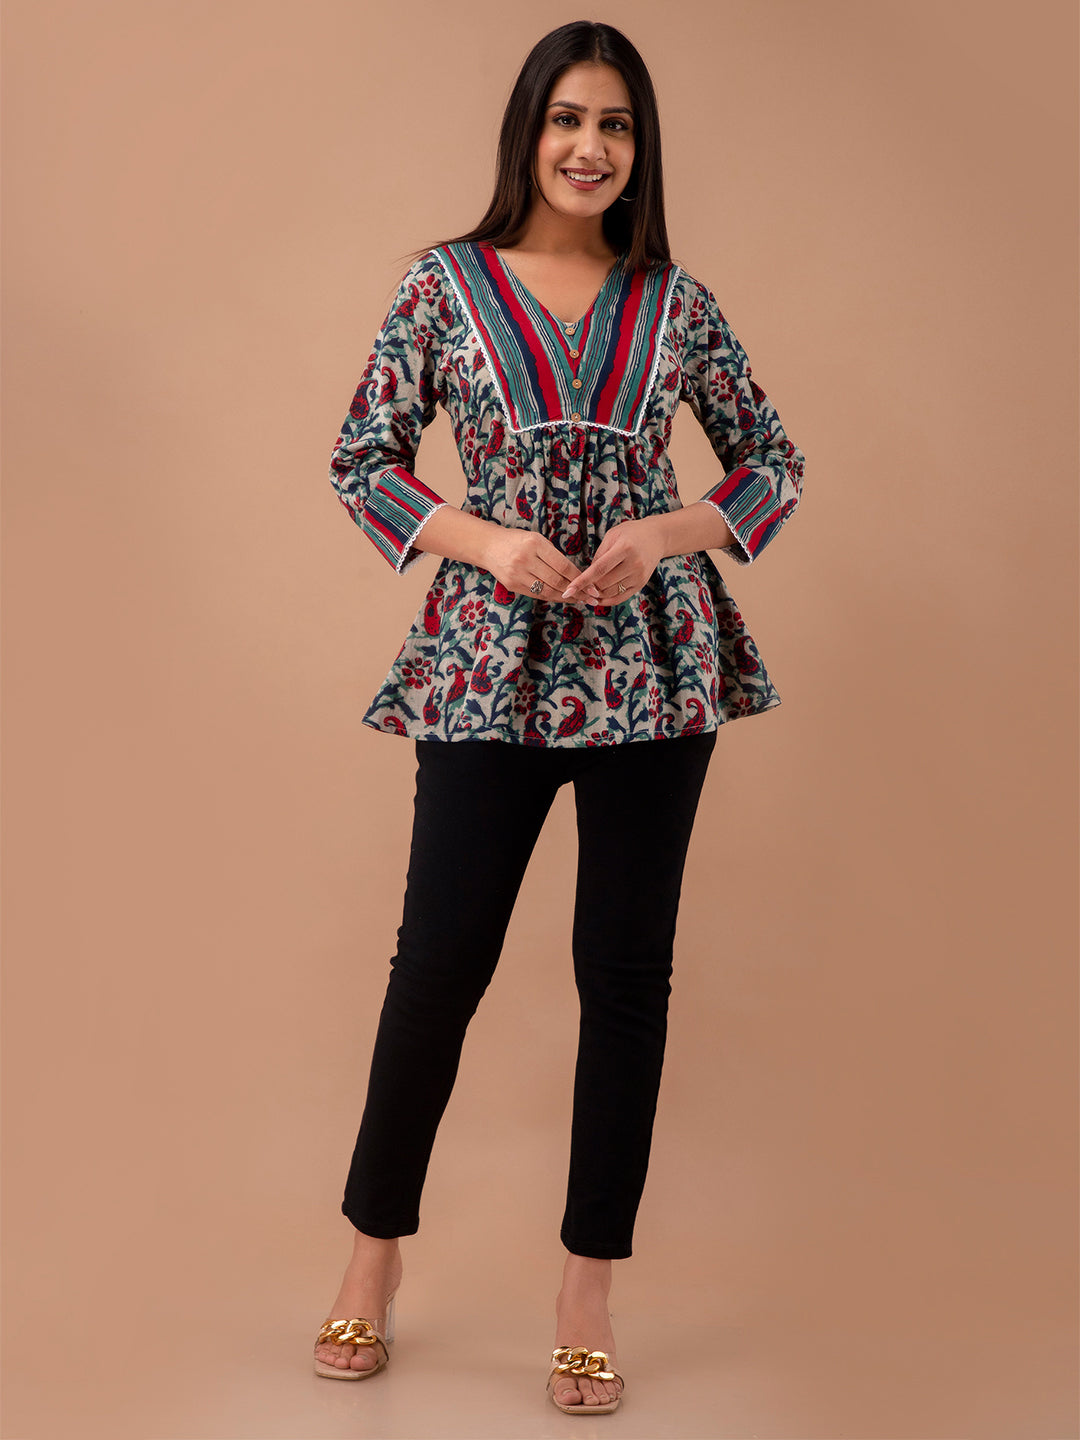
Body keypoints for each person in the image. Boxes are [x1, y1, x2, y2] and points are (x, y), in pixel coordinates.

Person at [313, 18, 805, 1415]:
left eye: (617, 125)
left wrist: (667, 530)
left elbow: (774, 464)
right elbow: (362, 461)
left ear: (640, 149)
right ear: (528, 132)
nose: (591, 147)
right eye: (568, 119)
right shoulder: (443, 287)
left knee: (626, 976)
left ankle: (588, 1288)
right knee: (439, 964)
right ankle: (371, 1260)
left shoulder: (676, 303)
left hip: (657, 672)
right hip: (485, 664)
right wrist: (483, 543)